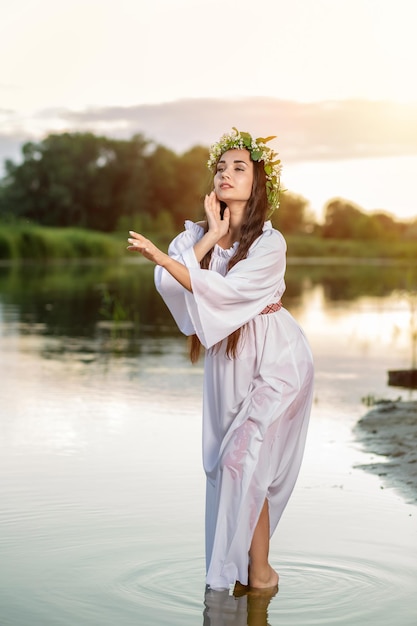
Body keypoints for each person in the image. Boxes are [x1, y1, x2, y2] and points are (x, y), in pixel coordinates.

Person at [127, 128, 314, 592]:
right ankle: (259, 577)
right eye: (220, 167)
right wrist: (211, 234)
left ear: (258, 183)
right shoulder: (194, 236)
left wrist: (167, 260)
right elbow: (172, 285)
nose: (226, 174)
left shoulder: (271, 244)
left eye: (239, 168)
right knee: (239, 465)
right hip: (228, 361)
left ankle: (250, 576)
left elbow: (226, 292)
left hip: (277, 360)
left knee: (242, 458)